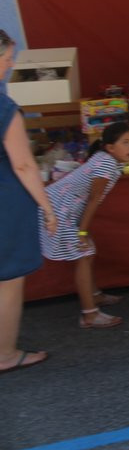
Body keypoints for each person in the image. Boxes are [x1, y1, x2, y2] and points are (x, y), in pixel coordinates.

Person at [39, 121, 129, 328]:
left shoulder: (107, 160)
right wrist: (82, 230)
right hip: (58, 209)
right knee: (84, 254)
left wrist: (83, 228)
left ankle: (95, 296)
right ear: (110, 147)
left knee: (87, 252)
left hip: (63, 207)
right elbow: (94, 198)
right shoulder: (107, 164)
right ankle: (89, 314)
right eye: (126, 142)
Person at [0, 30, 57, 373]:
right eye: (8, 58)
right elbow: (23, 165)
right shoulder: (5, 108)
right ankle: (5, 353)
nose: (11, 64)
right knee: (8, 281)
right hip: (5, 204)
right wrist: (47, 207)